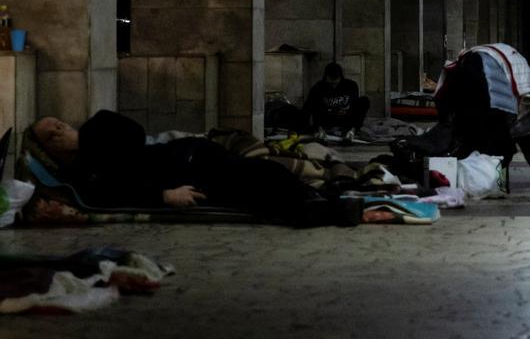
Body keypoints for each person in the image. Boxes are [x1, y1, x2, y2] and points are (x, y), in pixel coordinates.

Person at [29, 111, 339, 225]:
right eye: (50, 135)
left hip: (188, 155)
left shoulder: (97, 133)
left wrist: (85, 136)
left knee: (262, 170)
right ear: (48, 150)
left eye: (59, 125)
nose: (59, 132)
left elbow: (132, 134)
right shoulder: (83, 174)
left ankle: (319, 199)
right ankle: (324, 208)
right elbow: (111, 193)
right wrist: (163, 196)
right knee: (257, 180)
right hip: (184, 175)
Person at [301, 62, 371, 142]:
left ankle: (351, 132)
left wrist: (346, 111)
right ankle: (320, 132)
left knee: (364, 101)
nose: (334, 85)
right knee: (313, 102)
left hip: (346, 119)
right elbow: (307, 107)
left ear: (340, 77)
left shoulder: (351, 85)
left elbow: (355, 105)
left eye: (336, 82)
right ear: (326, 77)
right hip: (327, 119)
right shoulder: (318, 87)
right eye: (331, 82)